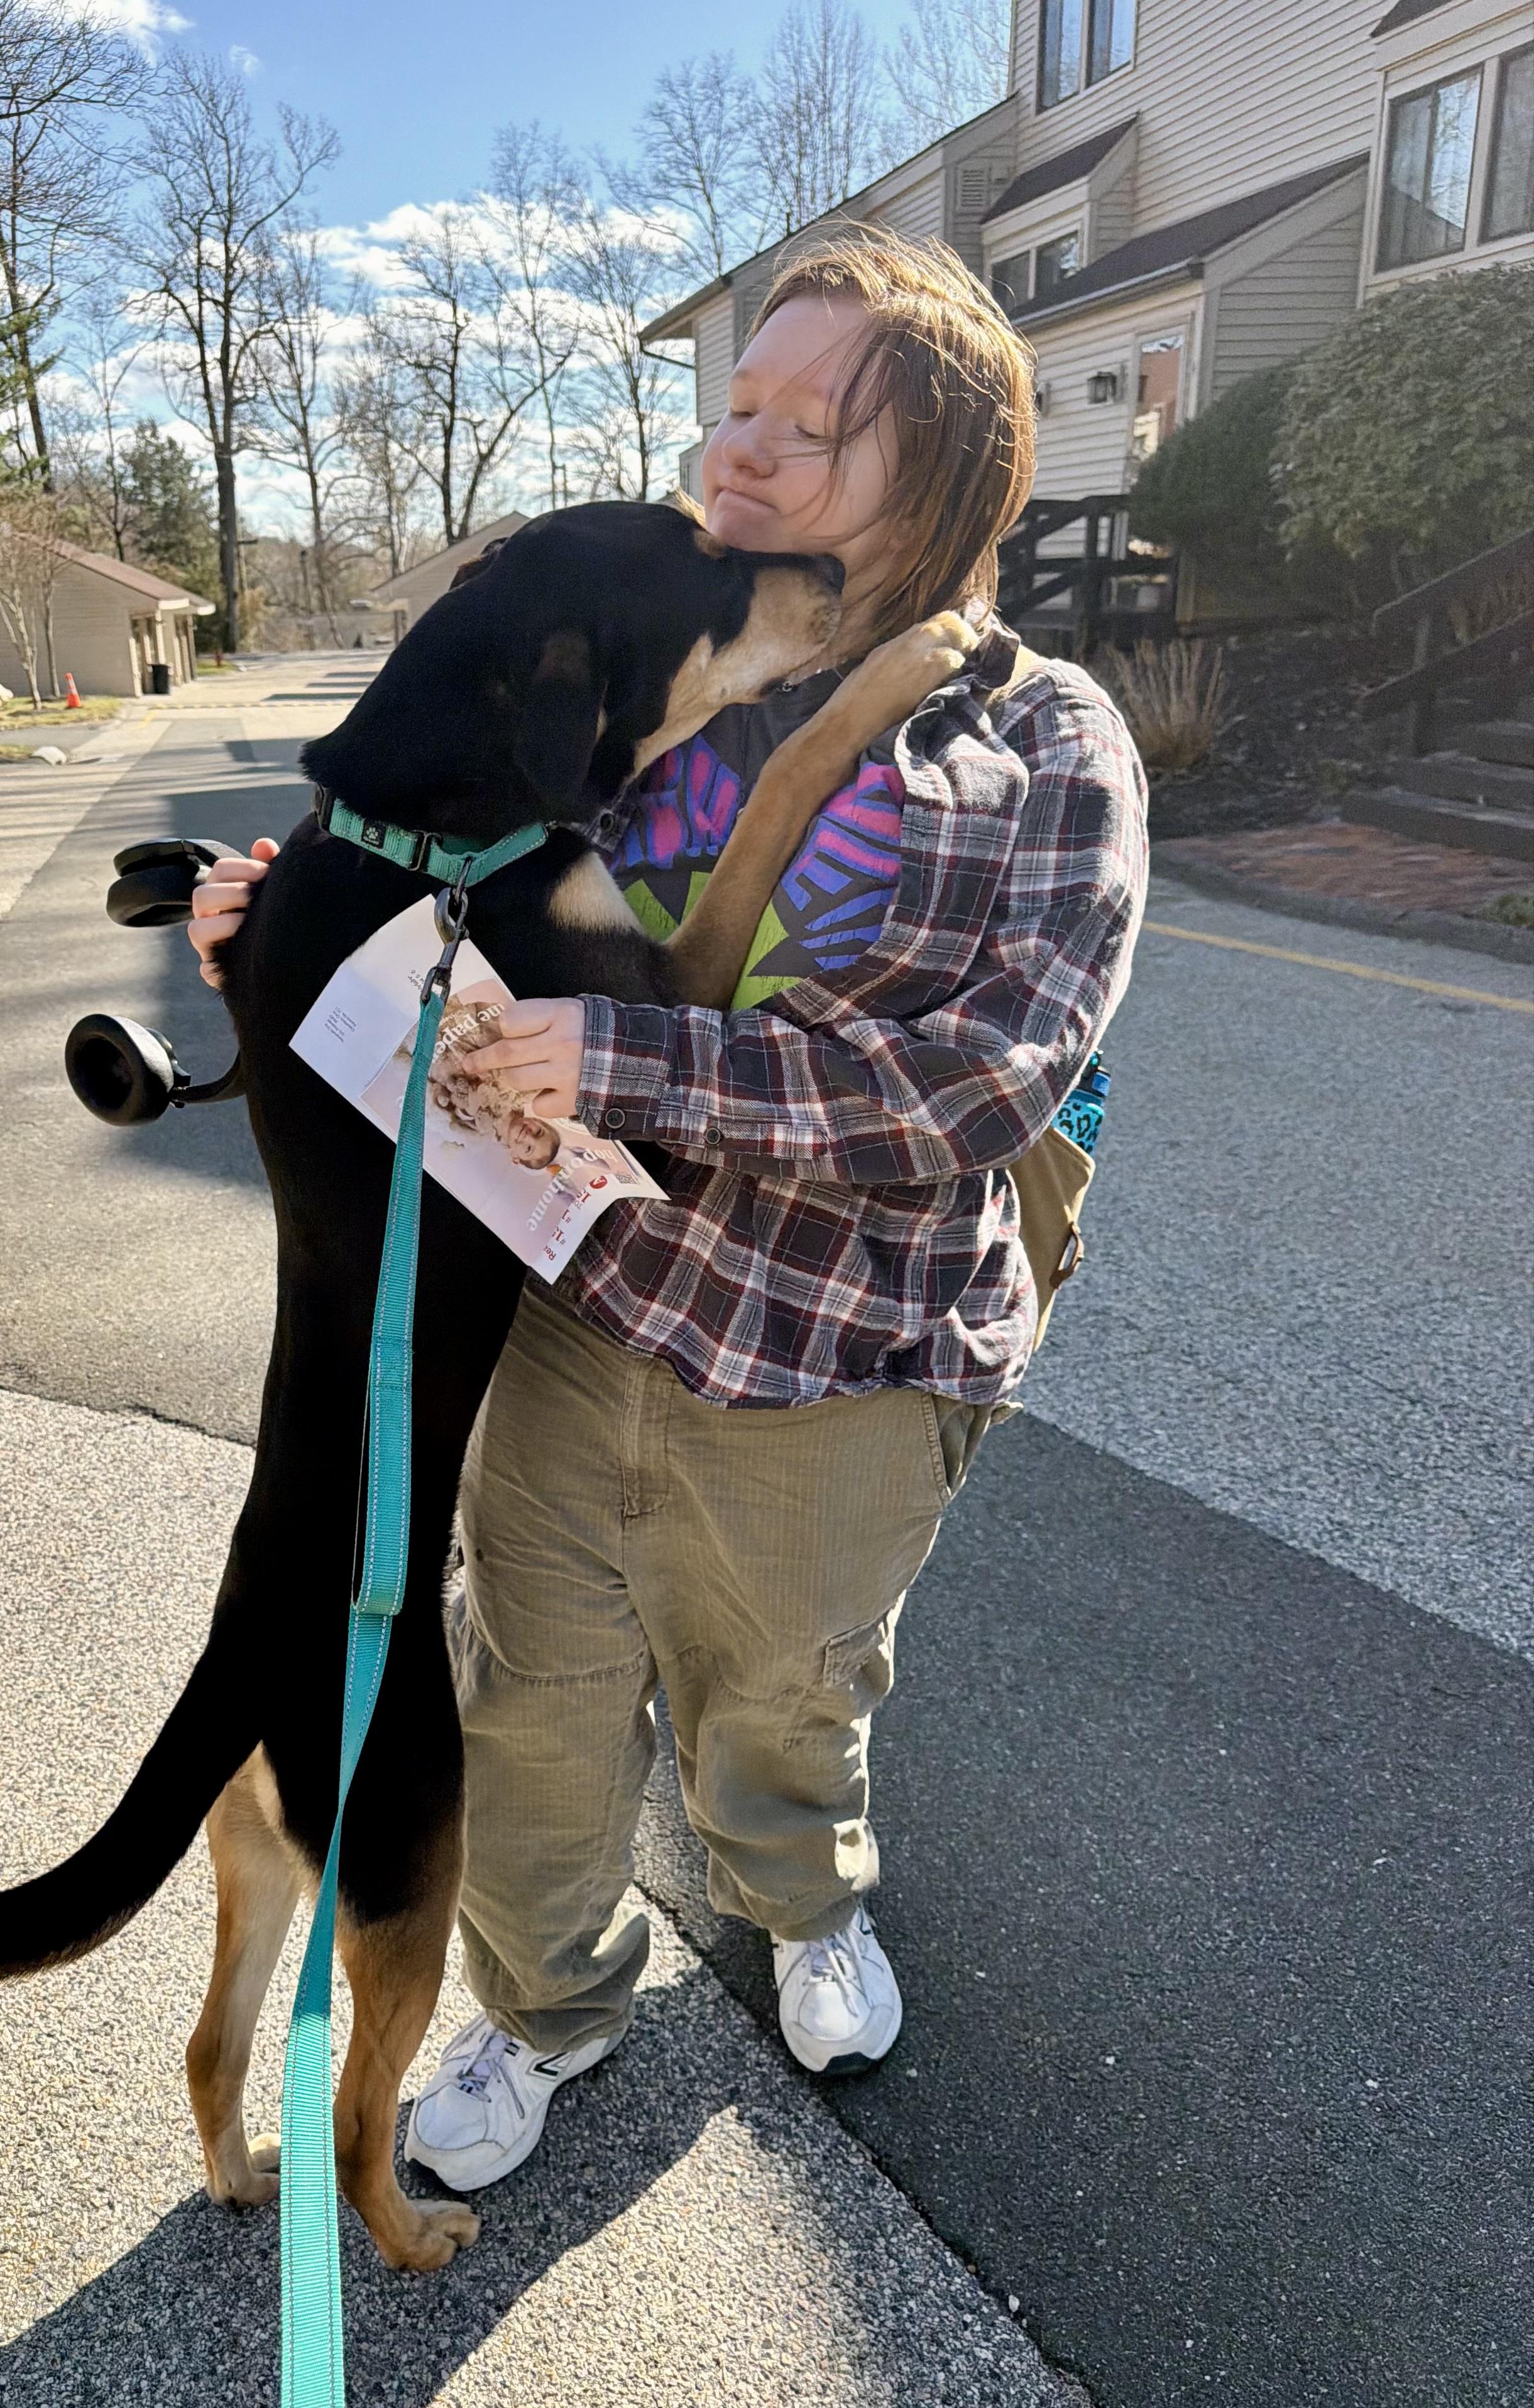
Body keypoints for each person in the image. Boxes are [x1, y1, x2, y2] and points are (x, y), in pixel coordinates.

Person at [187, 234, 1147, 2192]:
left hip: (840, 1360)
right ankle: (548, 2011)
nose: (751, 456)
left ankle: (803, 1909)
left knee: (783, 1698)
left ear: (950, 478)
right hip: (574, 1314)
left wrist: (621, 1067)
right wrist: (282, 942)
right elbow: (438, 906)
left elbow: (986, 1085)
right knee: (526, 1702)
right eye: (740, 407)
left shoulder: (1044, 743)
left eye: (820, 427)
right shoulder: (631, 663)